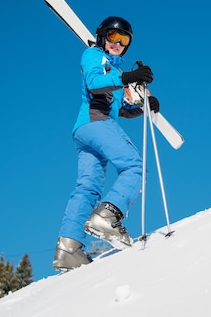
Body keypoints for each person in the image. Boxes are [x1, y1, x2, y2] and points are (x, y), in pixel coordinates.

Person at [53, 16, 160, 272]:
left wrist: (144, 107)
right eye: (113, 37)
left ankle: (69, 247)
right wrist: (129, 77)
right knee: (135, 167)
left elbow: (121, 109)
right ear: (102, 37)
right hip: (95, 122)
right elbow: (93, 83)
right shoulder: (94, 56)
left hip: (86, 129)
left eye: (124, 41)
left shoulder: (114, 72)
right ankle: (108, 215)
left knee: (88, 187)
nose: (118, 44)